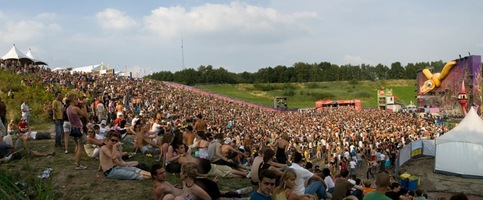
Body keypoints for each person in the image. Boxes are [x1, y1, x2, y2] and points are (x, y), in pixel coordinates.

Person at [66, 94, 89, 170]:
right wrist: (84, 105)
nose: (77, 100)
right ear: (73, 100)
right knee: (80, 147)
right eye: (76, 99)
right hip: (79, 129)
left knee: (77, 145)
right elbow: (84, 114)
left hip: (73, 128)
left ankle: (77, 161)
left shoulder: (68, 108)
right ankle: (78, 165)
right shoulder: (75, 108)